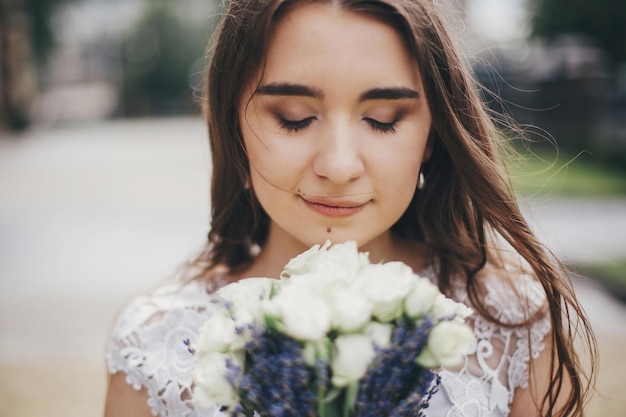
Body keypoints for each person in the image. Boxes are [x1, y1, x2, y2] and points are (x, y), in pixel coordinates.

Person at [104, 0, 597, 416]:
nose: (339, 166)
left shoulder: (513, 323)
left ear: (432, 133)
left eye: (382, 120)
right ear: (235, 122)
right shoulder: (154, 347)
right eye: (294, 119)